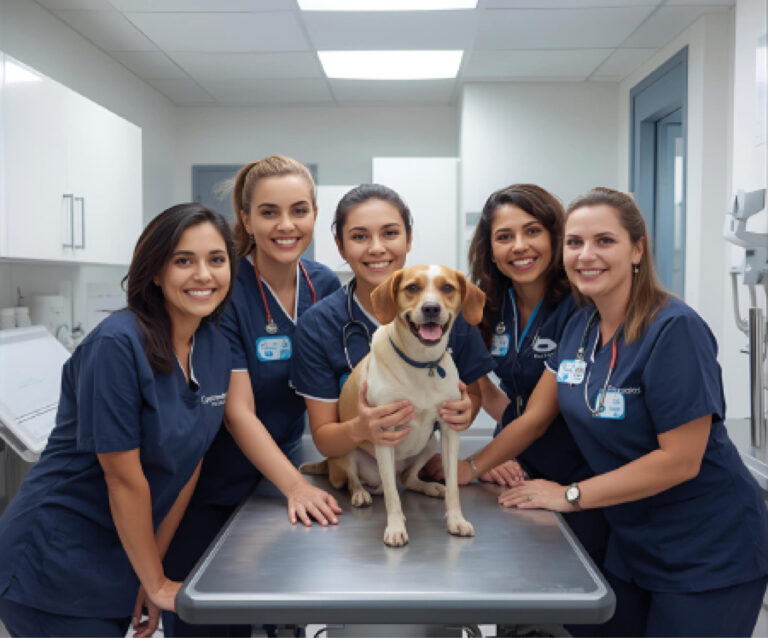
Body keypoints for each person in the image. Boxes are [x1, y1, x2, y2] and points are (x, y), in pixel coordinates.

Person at [492, 187, 768, 637]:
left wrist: (570, 494)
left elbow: (680, 459)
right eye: (576, 243)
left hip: (707, 548)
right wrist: (468, 467)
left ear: (637, 249)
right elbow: (535, 416)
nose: (586, 255)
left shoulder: (675, 329)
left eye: (605, 241)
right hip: (630, 540)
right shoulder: (578, 324)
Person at [0, 203, 236, 637]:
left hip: (121, 558)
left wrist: (152, 574)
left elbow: (190, 463)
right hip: (55, 562)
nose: (204, 274)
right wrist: (155, 580)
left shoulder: (214, 345)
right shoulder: (116, 345)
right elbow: (123, 479)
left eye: (216, 260)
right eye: (184, 260)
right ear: (155, 272)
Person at [162, 156, 342, 638]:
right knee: (212, 622)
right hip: (214, 483)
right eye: (268, 212)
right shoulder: (227, 289)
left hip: (280, 475)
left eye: (299, 210)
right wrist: (297, 488)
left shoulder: (323, 284)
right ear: (245, 219)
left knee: (282, 619)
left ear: (315, 214)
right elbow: (237, 413)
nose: (286, 225)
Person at [425, 184, 608, 569]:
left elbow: (539, 416)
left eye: (532, 231)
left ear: (555, 236)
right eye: (504, 237)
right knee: (517, 581)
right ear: (490, 248)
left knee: (576, 590)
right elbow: (482, 387)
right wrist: (498, 455)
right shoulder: (485, 305)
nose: (519, 246)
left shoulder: (580, 307)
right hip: (516, 468)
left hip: (575, 470)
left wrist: (472, 466)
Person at [290, 183, 494, 467]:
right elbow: (324, 439)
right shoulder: (319, 325)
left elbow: (471, 395)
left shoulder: (444, 311)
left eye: (390, 233)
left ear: (408, 239)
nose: (376, 248)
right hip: (362, 468)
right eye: (359, 236)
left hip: (419, 468)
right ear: (341, 245)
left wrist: (464, 413)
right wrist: (359, 428)